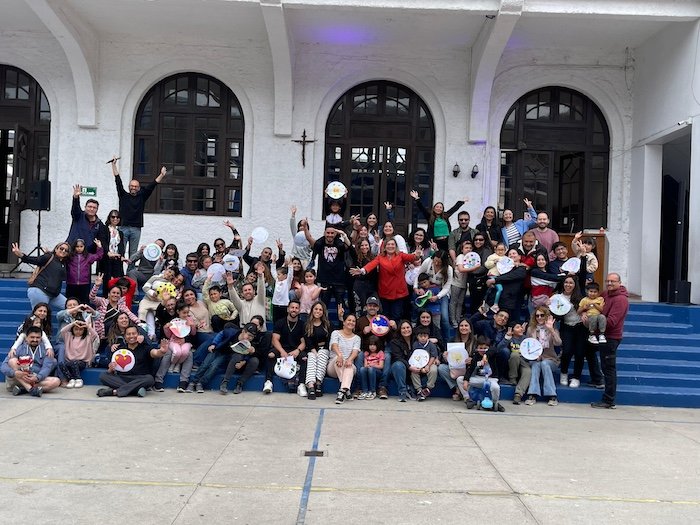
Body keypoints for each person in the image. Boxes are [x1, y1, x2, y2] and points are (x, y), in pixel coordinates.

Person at [111, 158, 167, 268]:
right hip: (123, 227)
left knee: (133, 254)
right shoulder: (123, 195)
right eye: (132, 186)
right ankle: (119, 272)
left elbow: (152, 185)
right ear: (129, 187)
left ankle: (130, 274)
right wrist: (113, 165)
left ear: (138, 188)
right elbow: (118, 181)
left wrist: (161, 175)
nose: (133, 188)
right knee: (120, 251)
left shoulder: (142, 196)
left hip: (136, 229)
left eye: (136, 186)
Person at [350, 239, 420, 321]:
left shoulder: (401, 255)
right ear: (384, 247)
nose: (390, 246)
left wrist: (417, 255)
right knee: (384, 316)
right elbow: (371, 264)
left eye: (392, 244)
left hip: (398, 292)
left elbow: (411, 257)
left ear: (396, 246)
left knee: (396, 316)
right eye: (388, 244)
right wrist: (362, 270)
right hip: (385, 291)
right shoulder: (380, 257)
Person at [556, 276, 603, 390]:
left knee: (580, 353)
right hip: (566, 327)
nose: (568, 285)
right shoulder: (557, 297)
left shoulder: (581, 297)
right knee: (566, 351)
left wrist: (585, 314)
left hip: (580, 327)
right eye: (566, 282)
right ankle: (564, 372)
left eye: (571, 283)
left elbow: (590, 310)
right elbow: (554, 312)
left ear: (575, 284)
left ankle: (576, 377)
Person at [96, 325, 168, 398]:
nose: (131, 336)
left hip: (140, 378)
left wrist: (161, 351)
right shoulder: (119, 349)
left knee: (149, 379)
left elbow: (155, 353)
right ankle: (136, 390)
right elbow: (111, 369)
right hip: (122, 377)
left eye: (134, 333)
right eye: (128, 334)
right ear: (124, 337)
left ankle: (115, 391)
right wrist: (110, 369)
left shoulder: (145, 347)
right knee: (103, 376)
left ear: (138, 335)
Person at [591, 273, 629, 409]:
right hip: (601, 335)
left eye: (613, 281)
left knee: (608, 368)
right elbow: (593, 304)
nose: (609, 284)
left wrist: (591, 322)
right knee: (596, 359)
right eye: (607, 281)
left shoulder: (621, 300)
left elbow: (611, 322)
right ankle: (596, 379)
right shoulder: (606, 294)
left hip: (611, 337)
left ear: (620, 282)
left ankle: (609, 400)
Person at [12, 241, 71, 311]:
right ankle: (28, 322)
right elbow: (34, 260)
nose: (63, 251)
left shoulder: (63, 263)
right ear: (56, 249)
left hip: (54, 294)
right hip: (40, 290)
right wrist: (20, 255)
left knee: (71, 306)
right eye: (61, 248)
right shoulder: (48, 257)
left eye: (66, 250)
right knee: (39, 315)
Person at [2, 326, 60, 397]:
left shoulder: (47, 350)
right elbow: (3, 366)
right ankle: (30, 389)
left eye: (37, 337)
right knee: (12, 361)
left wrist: (37, 377)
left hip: (34, 379)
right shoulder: (18, 348)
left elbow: (46, 367)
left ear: (41, 338)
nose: (35, 340)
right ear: (26, 338)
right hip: (17, 378)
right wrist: (15, 373)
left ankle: (23, 389)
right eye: (32, 337)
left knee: (56, 381)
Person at [307, 225, 351, 310]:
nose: (330, 235)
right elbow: (310, 240)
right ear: (324, 233)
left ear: (335, 234)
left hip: (338, 280)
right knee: (323, 307)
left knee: (340, 307)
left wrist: (344, 235)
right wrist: (305, 229)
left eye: (332, 233)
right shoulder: (320, 243)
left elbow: (348, 246)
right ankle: (324, 323)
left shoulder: (339, 243)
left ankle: (341, 323)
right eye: (328, 233)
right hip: (324, 280)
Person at [524, 307, 562, 406]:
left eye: (542, 315)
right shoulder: (530, 329)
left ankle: (552, 395)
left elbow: (558, 343)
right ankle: (532, 394)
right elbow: (528, 346)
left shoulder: (552, 328)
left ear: (546, 316)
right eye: (537, 315)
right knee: (536, 364)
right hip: (535, 359)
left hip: (551, 359)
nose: (539, 317)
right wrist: (534, 356)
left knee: (545, 364)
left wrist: (551, 330)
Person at [413, 250, 453, 341]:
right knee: (421, 312)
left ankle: (446, 342)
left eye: (439, 262)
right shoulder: (428, 262)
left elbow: (447, 287)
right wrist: (416, 288)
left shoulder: (449, 269)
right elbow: (418, 275)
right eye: (435, 260)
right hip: (425, 289)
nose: (436, 263)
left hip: (441, 292)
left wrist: (437, 296)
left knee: (445, 318)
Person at [268, 300, 306, 394]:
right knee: (271, 355)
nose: (294, 310)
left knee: (305, 358)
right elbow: (275, 339)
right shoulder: (280, 322)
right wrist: (281, 351)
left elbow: (304, 342)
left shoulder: (302, 324)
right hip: (282, 348)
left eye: (296, 308)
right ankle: (268, 382)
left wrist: (297, 351)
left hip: (295, 350)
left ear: (299, 310)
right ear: (288, 309)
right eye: (292, 307)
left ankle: (301, 385)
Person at [459, 336, 504, 412]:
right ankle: (468, 399)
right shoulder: (475, 356)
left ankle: (495, 402)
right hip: (479, 379)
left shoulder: (493, 354)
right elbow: (470, 369)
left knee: (495, 387)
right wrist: (466, 380)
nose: (483, 350)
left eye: (485, 348)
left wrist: (486, 355)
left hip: (491, 379)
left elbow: (494, 350)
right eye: (480, 348)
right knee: (460, 379)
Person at [437, 318, 476, 400]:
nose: (463, 327)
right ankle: (457, 388)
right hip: (455, 369)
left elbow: (480, 357)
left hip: (469, 369)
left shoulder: (475, 342)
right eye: (461, 326)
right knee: (441, 368)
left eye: (466, 326)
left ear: (470, 329)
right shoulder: (452, 341)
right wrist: (445, 357)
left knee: (475, 367)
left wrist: (472, 360)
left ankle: (460, 391)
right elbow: (446, 360)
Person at [220, 322, 261, 395]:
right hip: (232, 361)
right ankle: (225, 382)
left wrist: (252, 352)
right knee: (237, 356)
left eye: (252, 336)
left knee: (255, 361)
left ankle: (240, 383)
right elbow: (224, 347)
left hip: (244, 363)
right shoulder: (233, 335)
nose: (249, 338)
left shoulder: (253, 342)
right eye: (248, 335)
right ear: (243, 331)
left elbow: (258, 355)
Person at [328, 313, 361, 404]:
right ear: (344, 322)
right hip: (333, 366)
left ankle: (342, 391)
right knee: (338, 360)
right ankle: (346, 390)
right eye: (349, 320)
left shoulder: (357, 338)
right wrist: (339, 355)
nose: (351, 322)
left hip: (349, 365)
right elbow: (334, 345)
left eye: (353, 321)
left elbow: (355, 352)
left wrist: (350, 359)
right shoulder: (336, 333)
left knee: (349, 366)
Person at [302, 301, 332, 399]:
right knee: (311, 357)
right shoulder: (307, 325)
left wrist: (321, 351)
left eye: (320, 310)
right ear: (312, 310)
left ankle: (318, 383)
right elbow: (308, 341)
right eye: (316, 309)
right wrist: (315, 352)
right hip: (312, 349)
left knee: (322, 354)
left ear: (323, 312)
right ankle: (311, 385)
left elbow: (329, 340)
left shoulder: (327, 324)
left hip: (325, 349)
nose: (318, 311)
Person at [497, 321, 531, 404]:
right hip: (512, 362)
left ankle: (518, 394)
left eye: (521, 327)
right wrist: (507, 337)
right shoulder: (510, 338)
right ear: (512, 330)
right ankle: (513, 379)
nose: (520, 329)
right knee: (515, 355)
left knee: (528, 372)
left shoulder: (526, 339)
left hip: (524, 361)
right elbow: (499, 348)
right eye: (517, 327)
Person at [66, 185, 108, 253]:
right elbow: (75, 209)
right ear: (85, 207)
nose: (91, 209)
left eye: (94, 207)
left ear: (97, 209)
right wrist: (76, 198)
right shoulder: (78, 216)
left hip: (86, 256)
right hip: (72, 251)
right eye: (89, 206)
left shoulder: (99, 224)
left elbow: (101, 241)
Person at [58, 320, 98, 388]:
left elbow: (95, 334)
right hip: (70, 361)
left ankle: (78, 379)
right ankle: (71, 379)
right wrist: (73, 323)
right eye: (76, 329)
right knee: (61, 364)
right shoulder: (68, 336)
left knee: (75, 363)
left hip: (82, 362)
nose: (78, 331)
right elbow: (62, 331)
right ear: (72, 329)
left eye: (81, 329)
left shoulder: (88, 337)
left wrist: (87, 326)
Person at [66, 238, 104, 304]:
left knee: (84, 302)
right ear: (74, 247)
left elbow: (98, 256)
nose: (79, 248)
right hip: (71, 283)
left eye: (81, 246)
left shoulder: (88, 256)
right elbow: (60, 256)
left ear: (84, 247)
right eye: (77, 246)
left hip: (84, 283)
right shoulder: (70, 256)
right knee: (71, 301)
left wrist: (99, 247)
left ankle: (83, 314)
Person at [99, 209, 126, 291]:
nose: (115, 219)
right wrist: (107, 252)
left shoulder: (120, 232)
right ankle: (105, 300)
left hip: (117, 259)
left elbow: (121, 246)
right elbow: (103, 242)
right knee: (107, 281)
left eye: (117, 217)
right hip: (107, 259)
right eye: (113, 217)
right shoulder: (104, 229)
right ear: (109, 218)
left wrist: (122, 256)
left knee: (118, 282)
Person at [409, 326, 438, 401]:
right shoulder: (415, 344)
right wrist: (420, 368)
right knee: (413, 372)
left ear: (428, 337)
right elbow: (414, 357)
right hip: (418, 364)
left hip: (429, 363)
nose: (423, 338)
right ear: (417, 336)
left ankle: (428, 388)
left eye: (425, 336)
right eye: (420, 336)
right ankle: (419, 390)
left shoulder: (431, 345)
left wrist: (428, 366)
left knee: (434, 370)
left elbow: (433, 356)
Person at [389, 320, 414, 402]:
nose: (406, 330)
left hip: (416, 367)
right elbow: (398, 357)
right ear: (399, 330)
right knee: (398, 365)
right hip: (401, 368)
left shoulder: (417, 339)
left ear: (411, 328)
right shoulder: (395, 342)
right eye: (403, 328)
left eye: (408, 327)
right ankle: (403, 391)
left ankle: (413, 389)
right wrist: (409, 367)